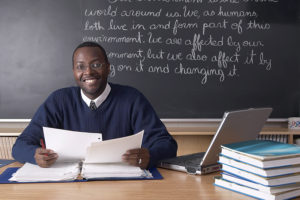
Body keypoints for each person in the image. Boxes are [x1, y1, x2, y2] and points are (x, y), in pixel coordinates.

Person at [12, 42, 177, 169]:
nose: (88, 72)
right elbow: (20, 146)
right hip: (69, 187)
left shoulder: (132, 99)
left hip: (122, 187)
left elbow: (167, 144)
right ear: (74, 72)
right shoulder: (59, 101)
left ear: (108, 68)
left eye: (96, 65)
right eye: (80, 67)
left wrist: (149, 156)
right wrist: (34, 156)